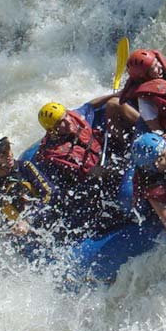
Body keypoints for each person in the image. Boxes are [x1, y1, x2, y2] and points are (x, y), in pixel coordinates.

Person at [34, 96, 128, 236]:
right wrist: (96, 172)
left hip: (103, 155)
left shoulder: (74, 117)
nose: (68, 121)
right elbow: (77, 179)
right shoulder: (53, 156)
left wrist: (117, 93)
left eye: (65, 115)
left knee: (113, 105)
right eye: (61, 122)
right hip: (87, 182)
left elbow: (90, 105)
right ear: (52, 131)